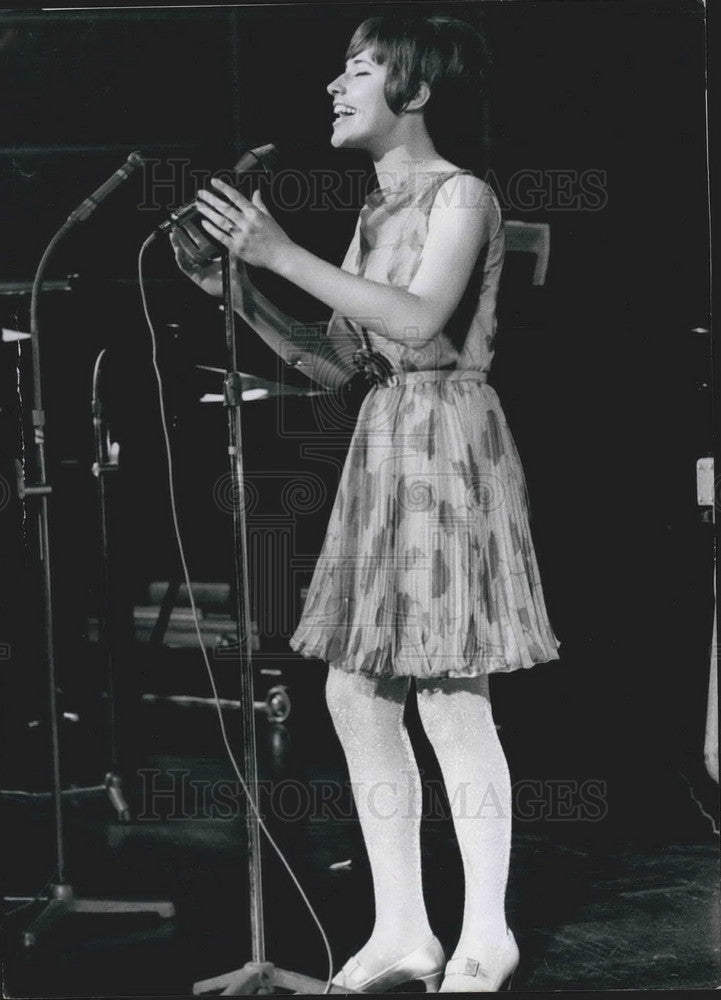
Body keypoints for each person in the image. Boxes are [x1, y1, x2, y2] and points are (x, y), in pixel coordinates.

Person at [171, 13, 560, 992]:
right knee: (354, 692)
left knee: (450, 693)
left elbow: (420, 324)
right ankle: (401, 928)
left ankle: (486, 933)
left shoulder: (461, 194)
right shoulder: (373, 215)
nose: (334, 87)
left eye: (358, 70)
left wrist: (276, 253)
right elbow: (336, 362)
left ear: (414, 92)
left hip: (447, 443)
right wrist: (232, 290)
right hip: (384, 445)